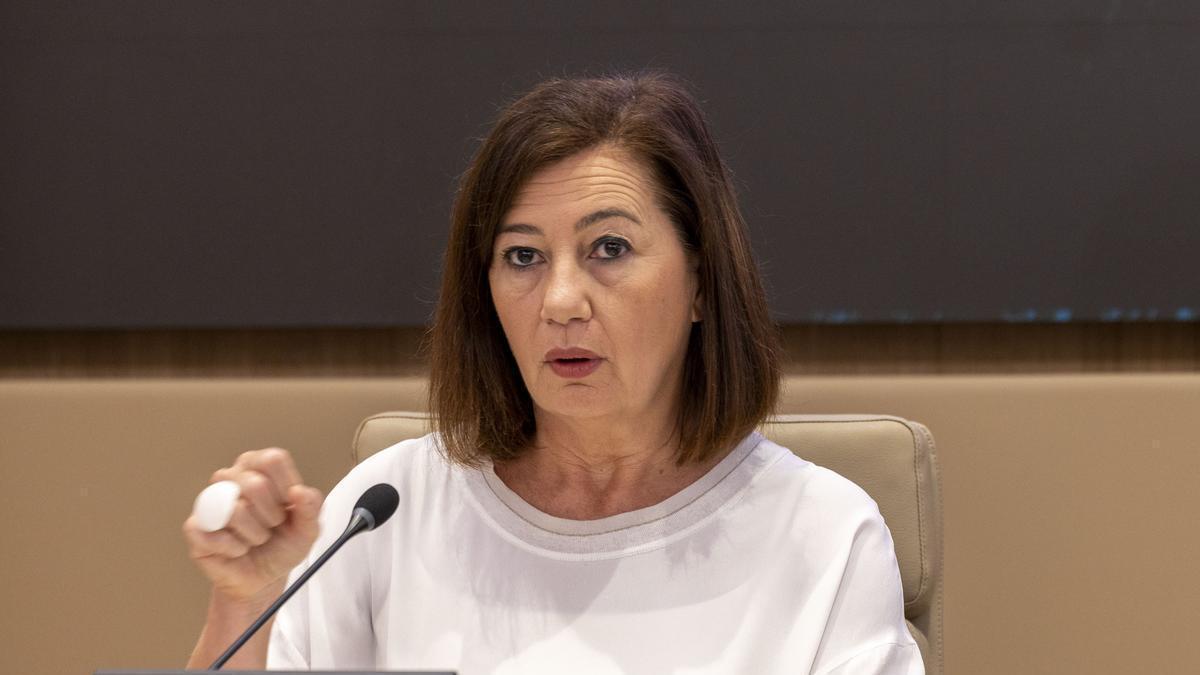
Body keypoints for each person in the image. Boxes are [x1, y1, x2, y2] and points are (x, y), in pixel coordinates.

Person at [183, 72, 923, 674]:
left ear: (701, 281)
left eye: (609, 248)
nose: (561, 301)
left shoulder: (823, 535)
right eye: (524, 257)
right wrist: (246, 601)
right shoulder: (384, 513)